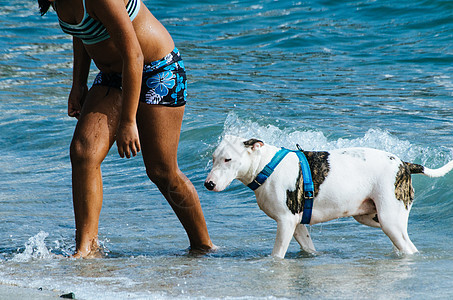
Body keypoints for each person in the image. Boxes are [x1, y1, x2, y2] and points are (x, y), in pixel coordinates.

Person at [38, 0, 214, 258]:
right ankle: (87, 250)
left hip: (157, 70)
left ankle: (204, 247)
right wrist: (78, 83)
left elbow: (134, 54)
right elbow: (82, 33)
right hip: (114, 75)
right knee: (83, 152)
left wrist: (128, 121)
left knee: (161, 171)